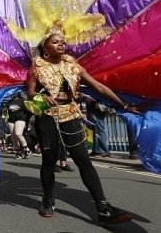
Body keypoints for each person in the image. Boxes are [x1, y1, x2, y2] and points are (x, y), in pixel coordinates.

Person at [27, 33, 141, 225]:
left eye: (63, 42)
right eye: (55, 42)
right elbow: (30, 92)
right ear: (45, 47)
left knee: (83, 160)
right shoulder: (36, 67)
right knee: (49, 160)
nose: (61, 44)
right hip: (47, 117)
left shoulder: (73, 65)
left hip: (70, 114)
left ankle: (103, 207)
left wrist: (123, 105)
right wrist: (40, 97)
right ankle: (47, 199)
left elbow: (97, 86)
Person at [4, 93, 32, 159]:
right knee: (14, 137)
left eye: (15, 93)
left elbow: (27, 111)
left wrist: (27, 123)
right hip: (11, 120)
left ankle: (26, 148)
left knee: (18, 134)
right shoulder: (9, 102)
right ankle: (18, 152)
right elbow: (5, 111)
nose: (13, 94)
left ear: (18, 93)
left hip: (20, 119)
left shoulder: (22, 100)